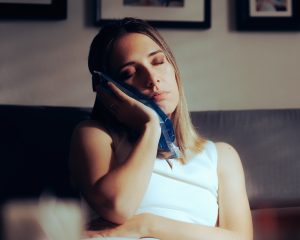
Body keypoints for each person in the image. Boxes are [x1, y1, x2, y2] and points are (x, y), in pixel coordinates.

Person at [69, 17, 253, 240]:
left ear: (174, 68)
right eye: (129, 73)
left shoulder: (221, 156)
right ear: (109, 90)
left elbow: (241, 238)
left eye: (158, 62)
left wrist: (146, 225)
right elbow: (118, 207)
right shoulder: (94, 136)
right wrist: (151, 127)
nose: (152, 79)